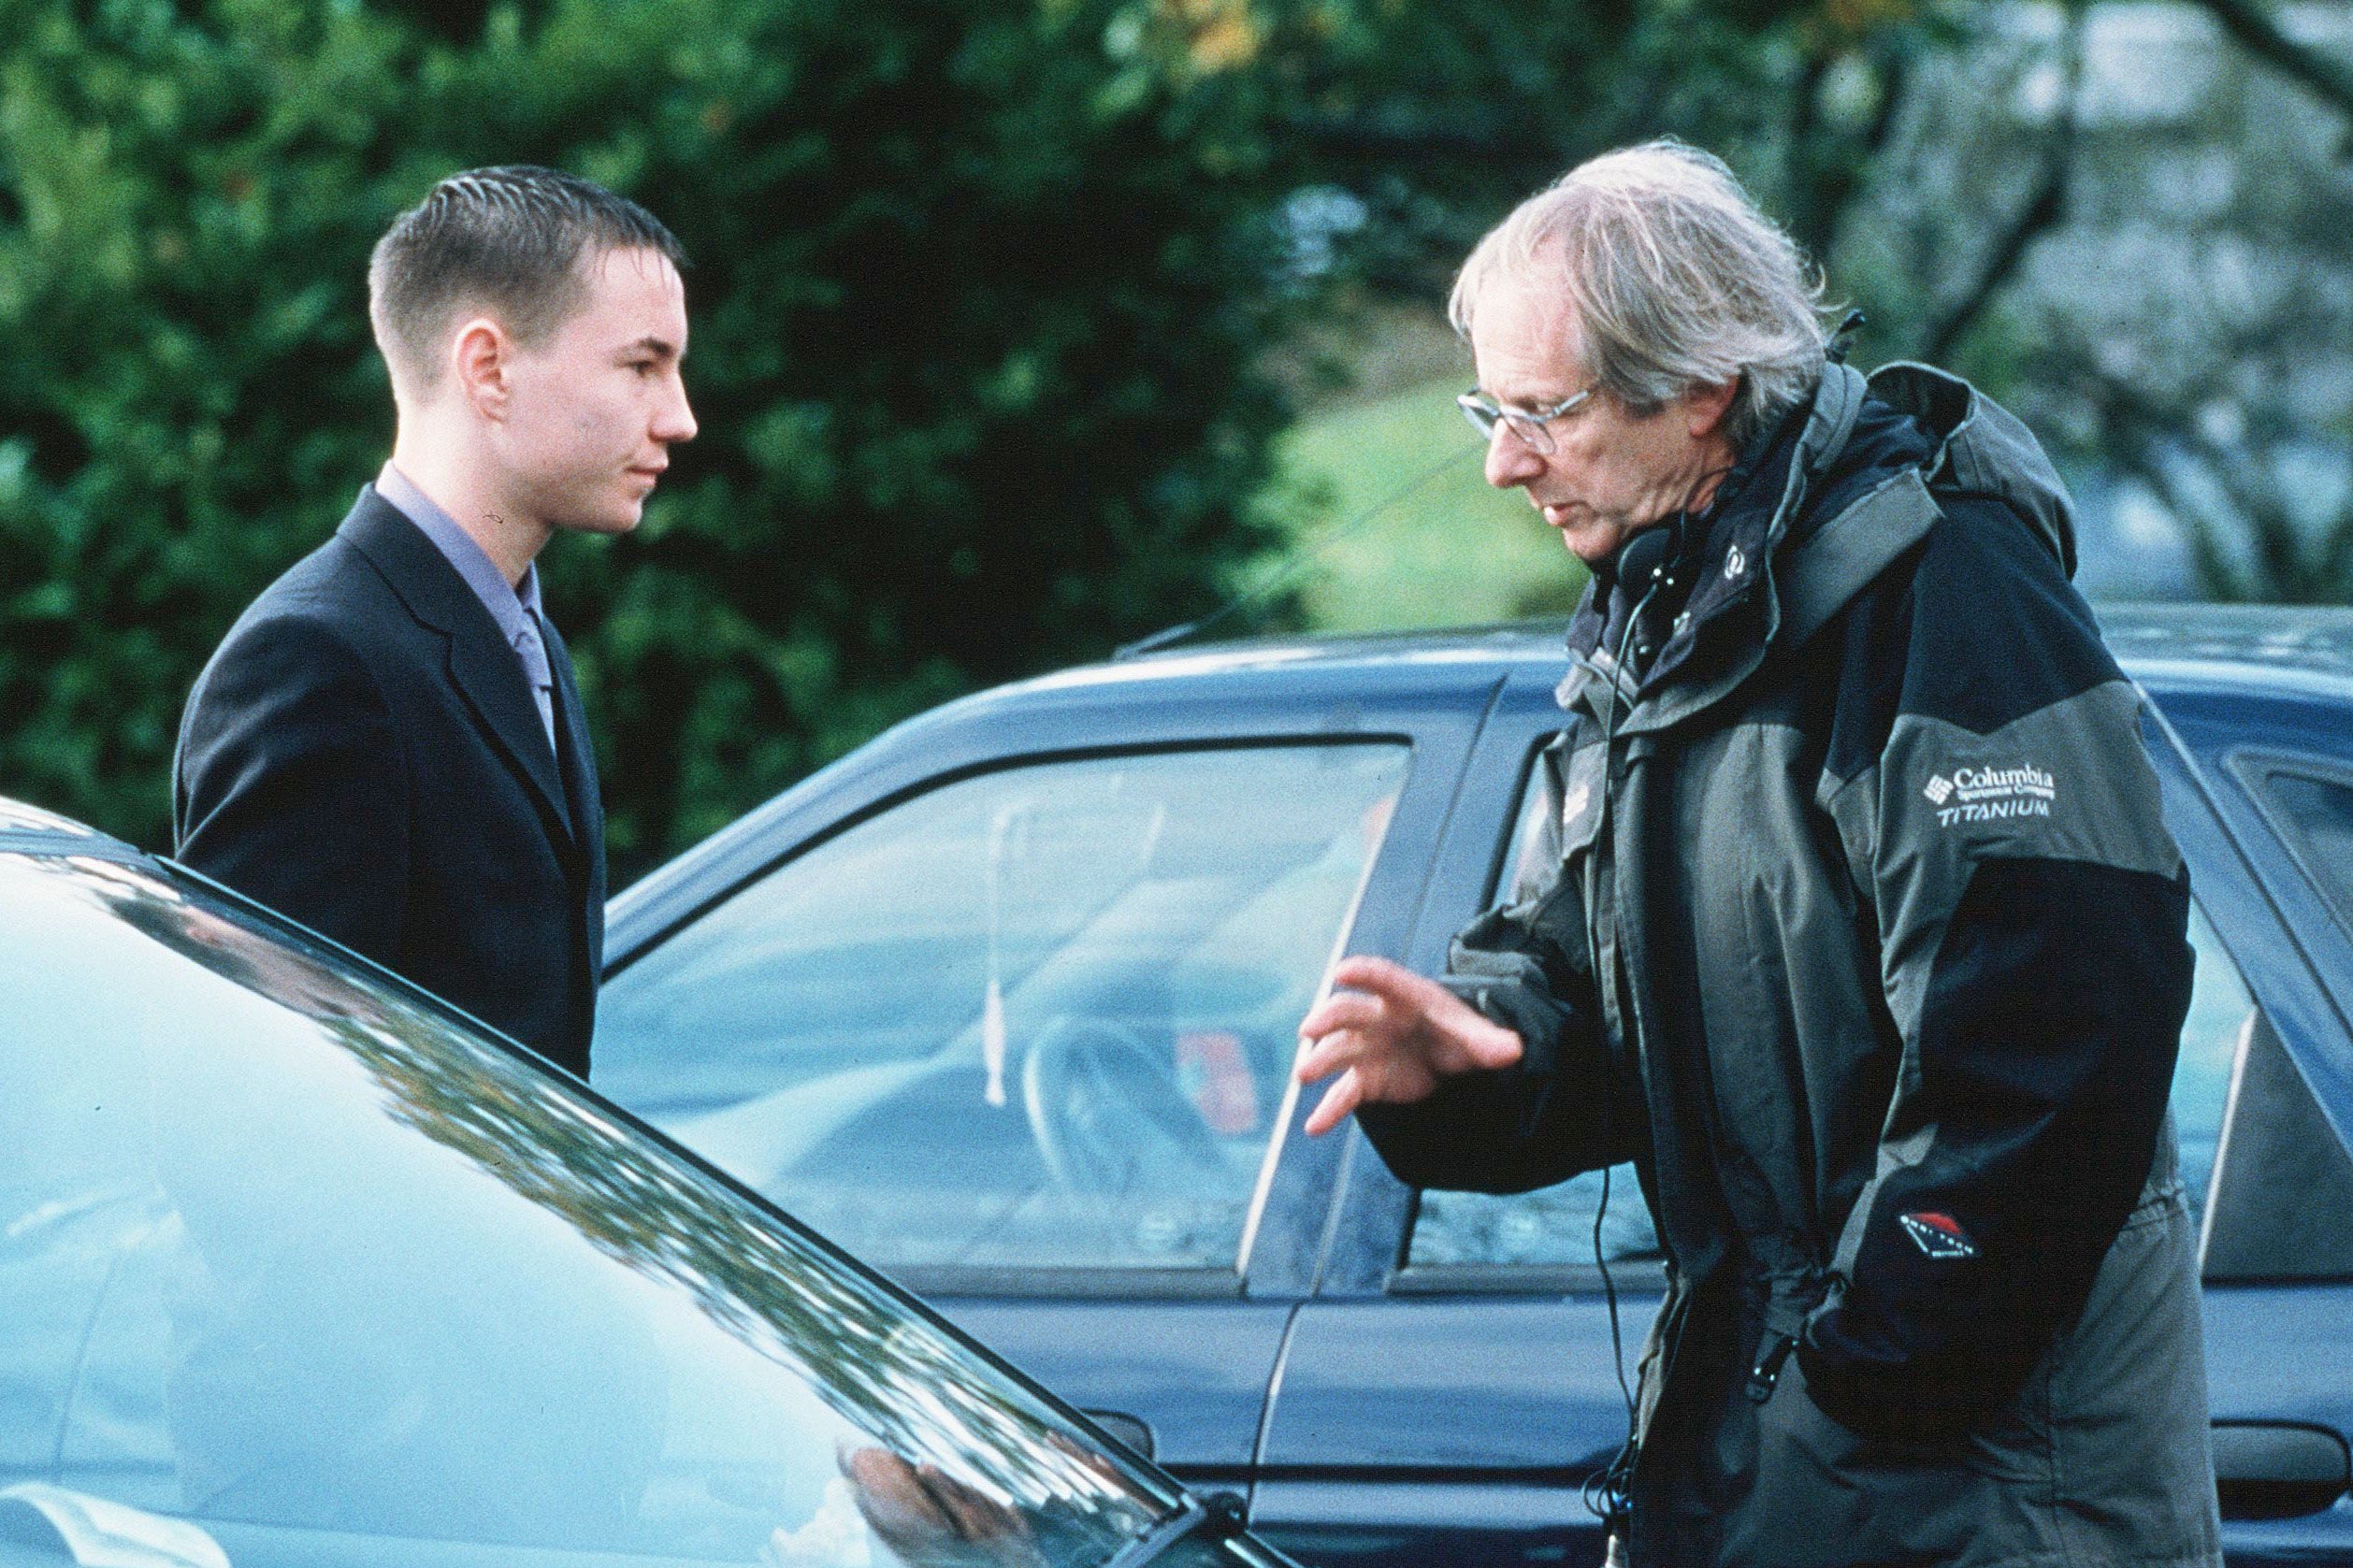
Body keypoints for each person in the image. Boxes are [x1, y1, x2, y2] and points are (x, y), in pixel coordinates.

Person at [1296, 141, 2219, 1568]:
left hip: (1974, 1498)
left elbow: (2054, 1041)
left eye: (1545, 410)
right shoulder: (1669, 627)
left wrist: (1850, 1380)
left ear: (1705, 392)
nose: (1499, 461)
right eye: (1492, 406)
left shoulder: (1947, 592)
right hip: (1780, 1457)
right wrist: (1474, 1051)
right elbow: (1601, 969)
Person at [175, 165, 696, 1076]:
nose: (679, 417)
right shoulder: (316, 661)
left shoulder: (520, 639)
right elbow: (242, 1093)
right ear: (487, 368)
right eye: (641, 365)